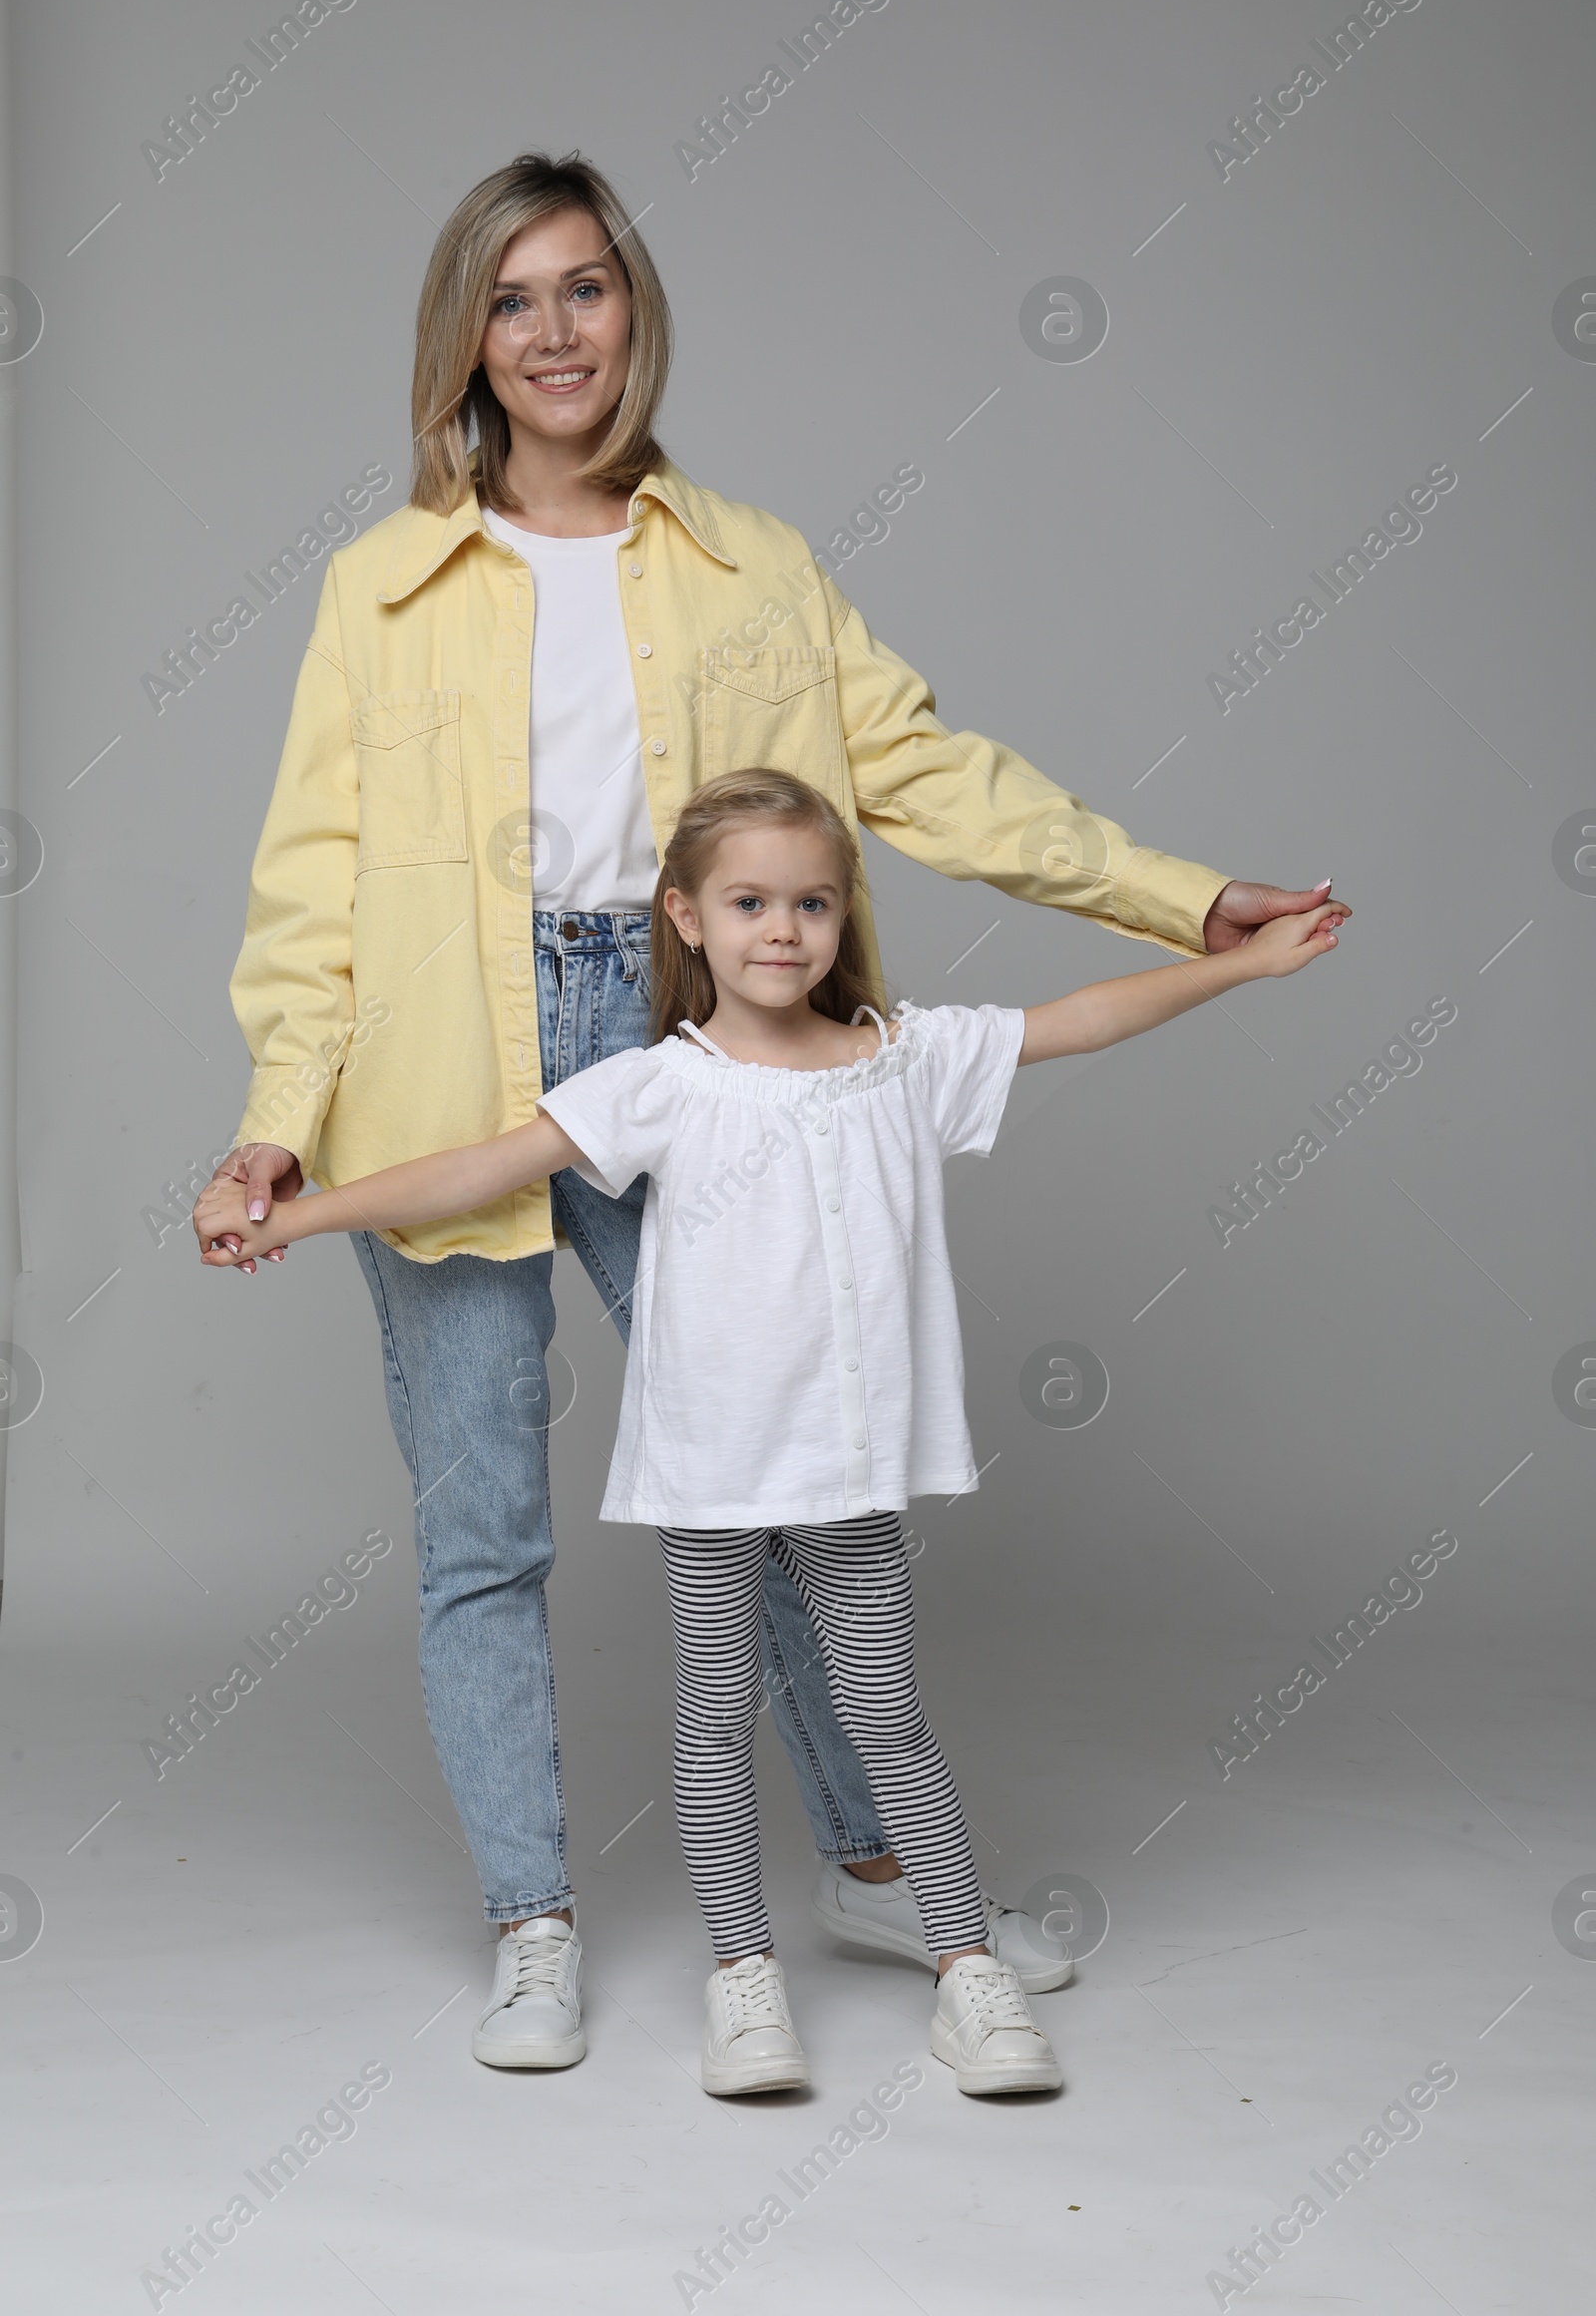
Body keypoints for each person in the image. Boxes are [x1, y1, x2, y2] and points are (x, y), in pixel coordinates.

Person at [202, 149, 1350, 2072]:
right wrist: (275, 1122)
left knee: (795, 1480)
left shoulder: (752, 565)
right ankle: (532, 1916)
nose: (557, 332)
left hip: (695, 1037)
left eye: (588, 289)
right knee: (483, 1526)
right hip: (442, 1055)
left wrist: (1176, 900)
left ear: (634, 310)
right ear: (464, 340)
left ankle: (878, 1873)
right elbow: (313, 884)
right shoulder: (378, 588)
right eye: (514, 299)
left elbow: (928, 774)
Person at [198, 767, 1337, 2095]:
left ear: (841, 913)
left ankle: (967, 1970)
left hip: (849, 1470)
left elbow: (1075, 1019)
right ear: (684, 917)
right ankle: (744, 1982)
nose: (781, 930)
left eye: (809, 901)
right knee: (712, 1726)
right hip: (713, 1470)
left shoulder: (902, 1059)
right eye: (748, 902)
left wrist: (1236, 970)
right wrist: (286, 1210)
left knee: (891, 1722)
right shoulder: (658, 1085)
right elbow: (476, 1170)